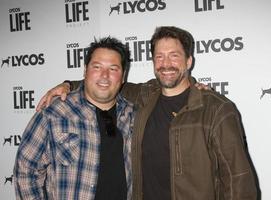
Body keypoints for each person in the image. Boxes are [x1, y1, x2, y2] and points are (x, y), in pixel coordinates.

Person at [37, 26, 258, 200]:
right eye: (159, 57)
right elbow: (105, 84)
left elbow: (238, 179)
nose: (166, 64)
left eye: (174, 56)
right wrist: (67, 84)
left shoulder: (216, 109)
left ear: (189, 61)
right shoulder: (144, 96)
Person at [13, 37, 135, 200]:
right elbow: (26, 169)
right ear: (85, 70)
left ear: (123, 76)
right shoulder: (54, 112)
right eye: (97, 67)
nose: (104, 75)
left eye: (113, 69)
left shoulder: (133, 114)